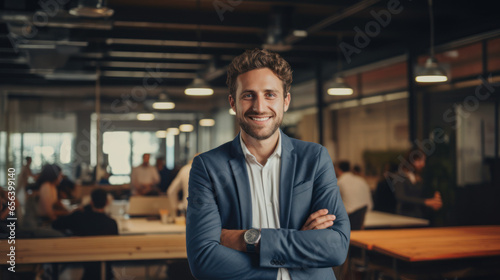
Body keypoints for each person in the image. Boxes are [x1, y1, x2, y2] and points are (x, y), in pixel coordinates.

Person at [186, 49, 350, 280]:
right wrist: (295, 250)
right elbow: (203, 260)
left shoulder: (314, 158)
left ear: (286, 101)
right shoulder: (208, 166)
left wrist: (247, 239)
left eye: (270, 94)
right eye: (248, 95)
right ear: (233, 102)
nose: (260, 107)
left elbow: (336, 246)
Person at [52, 188, 118, 280]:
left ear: (91, 202)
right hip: (107, 270)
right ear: (107, 202)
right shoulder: (112, 223)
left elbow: (56, 224)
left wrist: (75, 211)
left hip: (87, 263)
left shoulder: (80, 218)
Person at [393, 149, 442, 218]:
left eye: (424, 161)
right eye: (419, 161)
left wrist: (434, 201)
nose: (423, 164)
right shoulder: (400, 176)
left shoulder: (420, 177)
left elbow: (423, 195)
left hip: (418, 215)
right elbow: (401, 197)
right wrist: (426, 202)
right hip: (404, 216)